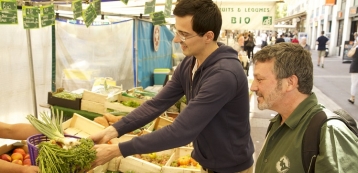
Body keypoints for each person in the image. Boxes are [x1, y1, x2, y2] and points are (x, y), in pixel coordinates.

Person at [89, 0, 254, 173]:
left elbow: (181, 132)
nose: (176, 39)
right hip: (208, 162)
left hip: (232, 168)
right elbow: (156, 104)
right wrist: (112, 131)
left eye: (184, 34)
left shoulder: (224, 74)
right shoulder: (189, 64)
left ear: (208, 36)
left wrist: (116, 150)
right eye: (177, 31)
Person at [251, 42, 358, 172]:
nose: (253, 87)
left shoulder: (329, 132)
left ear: (290, 83)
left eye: (260, 79)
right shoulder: (278, 122)